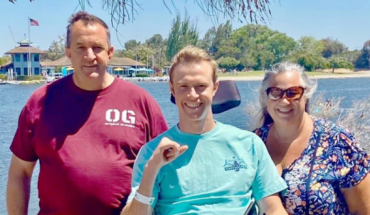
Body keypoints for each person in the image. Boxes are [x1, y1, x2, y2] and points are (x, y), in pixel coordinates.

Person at [6, 11, 167, 215]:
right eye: (81, 47)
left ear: (110, 52)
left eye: (97, 48)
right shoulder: (41, 102)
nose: (89, 56)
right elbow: (20, 172)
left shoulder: (141, 102)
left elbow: (166, 173)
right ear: (69, 53)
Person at [121, 46, 288, 215]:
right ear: (172, 89)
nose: (192, 95)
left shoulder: (249, 144)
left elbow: (273, 208)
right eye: (183, 86)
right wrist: (151, 169)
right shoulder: (153, 153)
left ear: (215, 87)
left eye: (200, 86)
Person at [253, 62, 370, 214]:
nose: (284, 101)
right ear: (265, 97)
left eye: (293, 92)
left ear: (306, 95)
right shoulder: (253, 141)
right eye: (275, 92)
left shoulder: (337, 141)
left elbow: (364, 211)